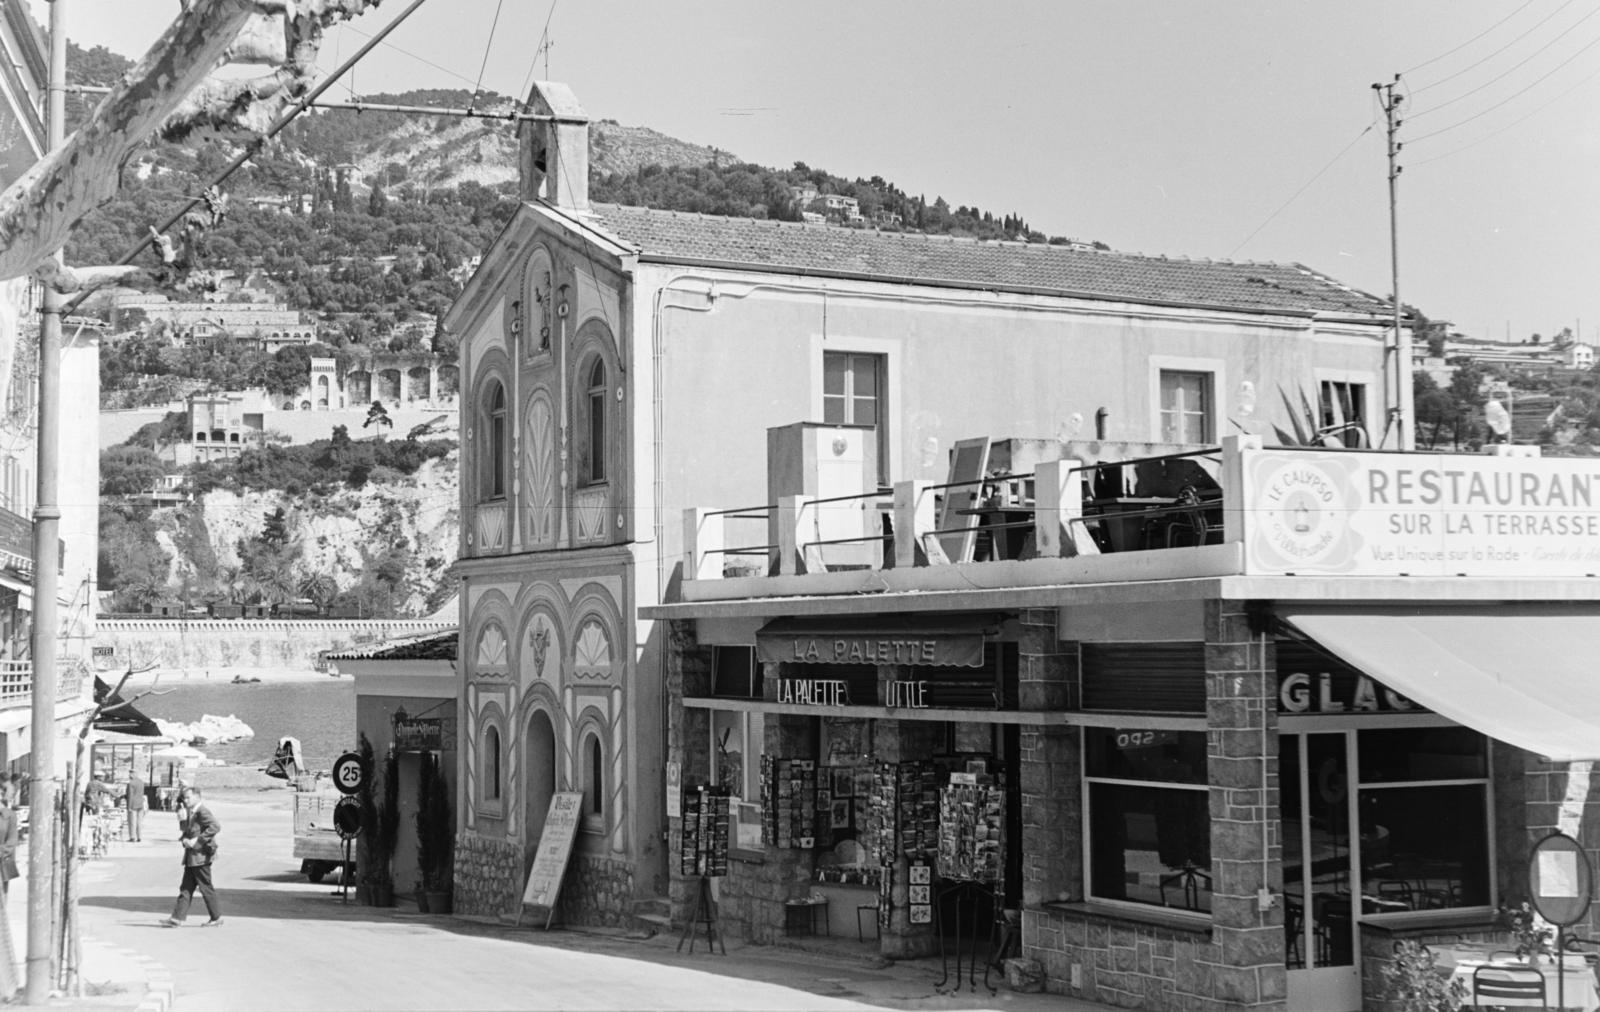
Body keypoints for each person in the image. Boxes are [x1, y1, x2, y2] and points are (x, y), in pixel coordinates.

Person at [161, 786, 221, 927]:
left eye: (188, 797)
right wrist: (184, 837)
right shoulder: (191, 812)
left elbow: (215, 826)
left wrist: (196, 841)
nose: (186, 800)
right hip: (192, 857)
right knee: (186, 887)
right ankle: (177, 918)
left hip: (200, 857)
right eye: (184, 798)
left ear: (197, 796)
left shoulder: (202, 811)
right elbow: (188, 831)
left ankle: (216, 917)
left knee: (205, 887)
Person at [125, 772, 146, 843]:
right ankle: (139, 837)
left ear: (132, 775)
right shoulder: (141, 782)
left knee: (132, 821)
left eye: (130, 774)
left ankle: (132, 837)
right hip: (140, 804)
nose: (129, 776)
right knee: (139, 822)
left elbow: (130, 795)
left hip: (133, 804)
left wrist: (129, 806)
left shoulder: (131, 783)